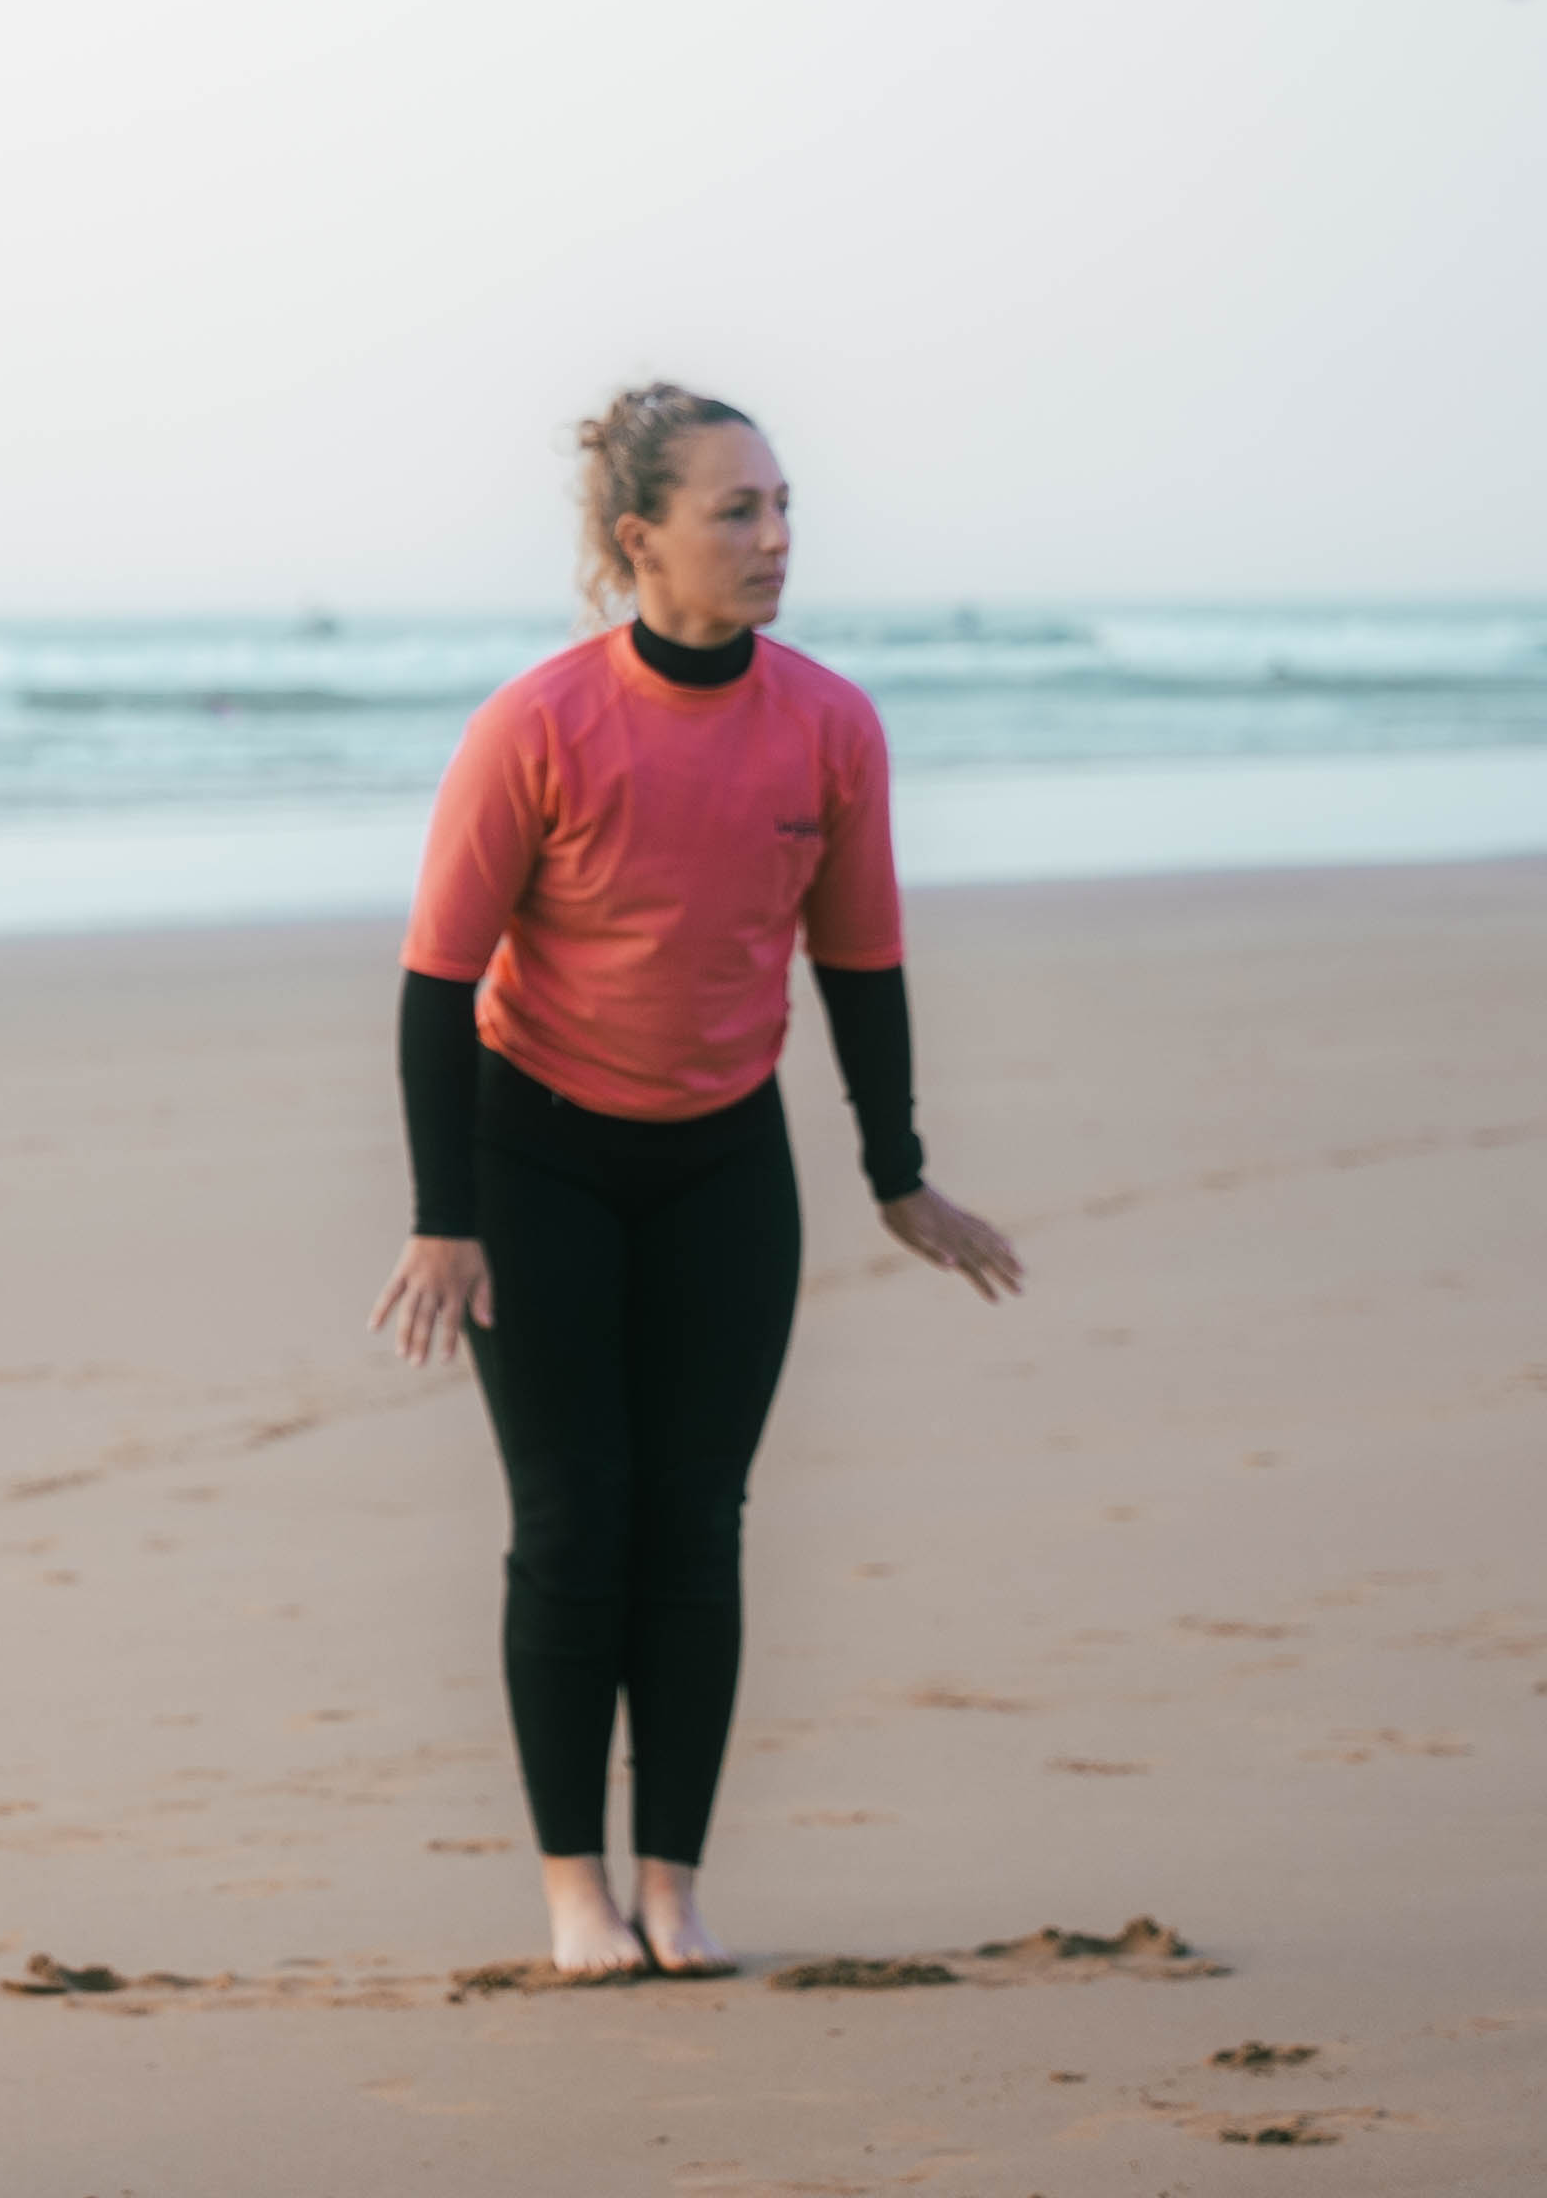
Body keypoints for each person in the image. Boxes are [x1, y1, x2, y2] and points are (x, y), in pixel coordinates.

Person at [367, 388, 1024, 1979]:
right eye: (737, 512)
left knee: (697, 1521)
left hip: (724, 1154)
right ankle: (571, 1893)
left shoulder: (828, 725)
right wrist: (444, 1219)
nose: (777, 538)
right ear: (635, 539)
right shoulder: (536, 726)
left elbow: (859, 962)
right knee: (576, 1514)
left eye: (785, 506)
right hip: (538, 1153)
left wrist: (898, 1174)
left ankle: (671, 1885)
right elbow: (439, 984)